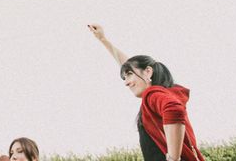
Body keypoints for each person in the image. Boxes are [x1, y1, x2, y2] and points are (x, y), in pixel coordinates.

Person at [88, 24, 205, 161]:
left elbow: (173, 109)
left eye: (129, 75)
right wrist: (103, 40)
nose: (126, 82)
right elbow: (132, 65)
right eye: (124, 78)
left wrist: (173, 159)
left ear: (149, 71)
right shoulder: (168, 92)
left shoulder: (153, 95)